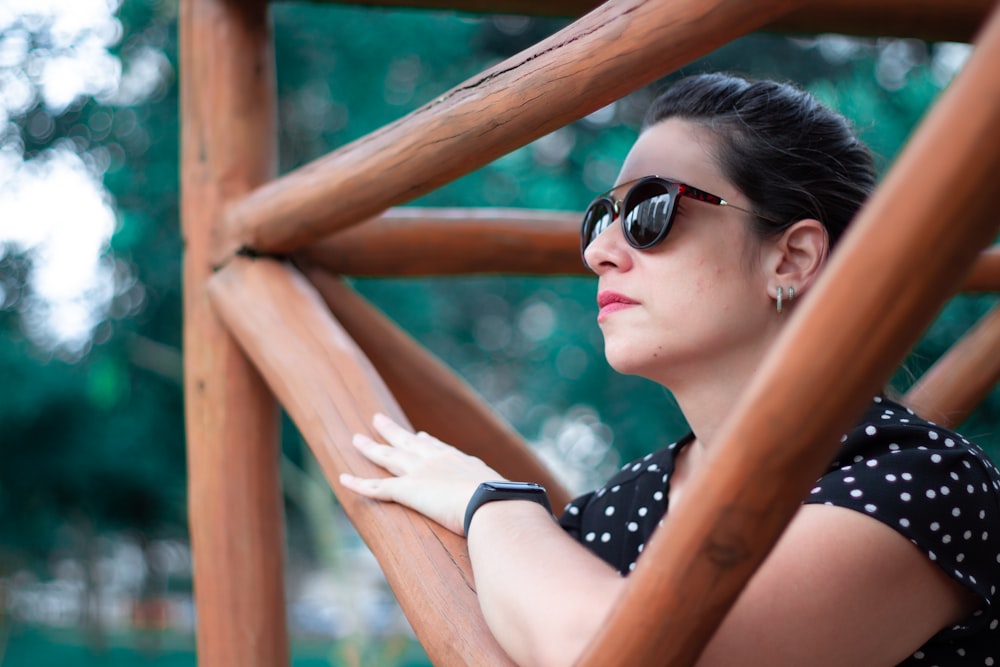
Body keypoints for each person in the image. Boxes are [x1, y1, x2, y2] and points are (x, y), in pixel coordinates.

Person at [338, 73, 1000, 666]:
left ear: (791, 258)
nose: (600, 249)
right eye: (602, 217)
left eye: (650, 211)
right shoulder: (628, 503)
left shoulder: (921, 485)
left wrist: (490, 500)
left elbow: (610, 650)